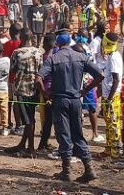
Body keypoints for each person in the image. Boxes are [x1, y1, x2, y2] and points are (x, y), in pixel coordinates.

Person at [38, 28, 104, 182]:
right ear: (69, 41)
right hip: (76, 100)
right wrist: (85, 90)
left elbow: (38, 78)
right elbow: (100, 75)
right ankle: (89, 168)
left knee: (63, 134)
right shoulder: (81, 56)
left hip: (60, 100)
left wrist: (46, 93)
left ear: (57, 43)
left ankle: (67, 170)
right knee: (77, 134)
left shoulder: (53, 59)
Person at [6, 30, 42, 157]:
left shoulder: (17, 53)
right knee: (30, 118)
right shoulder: (38, 52)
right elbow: (41, 70)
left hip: (22, 89)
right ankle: (22, 144)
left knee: (28, 120)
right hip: (35, 89)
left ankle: (30, 148)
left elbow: (12, 69)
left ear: (20, 37)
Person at [97, 33, 123, 160]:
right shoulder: (111, 56)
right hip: (107, 95)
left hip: (112, 96)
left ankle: (115, 152)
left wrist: (109, 99)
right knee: (108, 123)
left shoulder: (114, 58)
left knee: (113, 124)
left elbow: (116, 79)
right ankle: (108, 149)